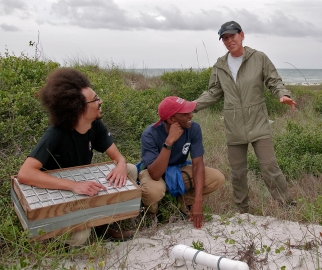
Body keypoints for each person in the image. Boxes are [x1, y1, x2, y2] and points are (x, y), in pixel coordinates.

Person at [17, 68, 138, 246]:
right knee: (80, 237)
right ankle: (52, 238)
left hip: (81, 182)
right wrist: (73, 186)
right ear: (79, 108)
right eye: (95, 99)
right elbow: (25, 174)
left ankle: (104, 226)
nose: (100, 101)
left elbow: (118, 157)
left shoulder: (96, 125)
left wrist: (120, 164)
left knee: (130, 170)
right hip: (57, 190)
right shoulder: (55, 134)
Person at [193, 21, 297, 213]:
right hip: (234, 126)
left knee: (270, 168)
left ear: (242, 35)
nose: (229, 40)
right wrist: (192, 106)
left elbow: (274, 81)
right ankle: (242, 211)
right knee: (238, 172)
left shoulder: (259, 58)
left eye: (232, 36)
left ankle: (287, 206)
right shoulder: (220, 65)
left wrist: (283, 94)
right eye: (225, 38)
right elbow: (213, 92)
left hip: (258, 123)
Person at [138, 96, 225, 229]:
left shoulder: (193, 128)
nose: (191, 115)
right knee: (153, 191)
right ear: (171, 119)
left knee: (216, 178)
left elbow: (198, 165)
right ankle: (152, 214)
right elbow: (155, 174)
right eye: (185, 114)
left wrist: (198, 200)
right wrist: (169, 142)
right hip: (155, 171)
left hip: (179, 169)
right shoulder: (149, 134)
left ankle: (185, 204)